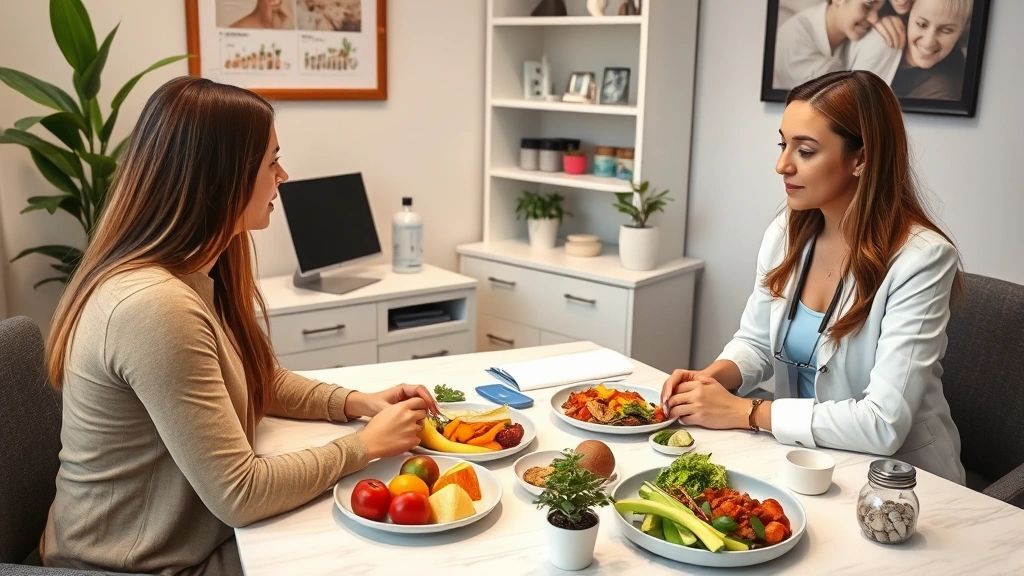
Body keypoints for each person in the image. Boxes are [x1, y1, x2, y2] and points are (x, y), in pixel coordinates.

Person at [39, 76, 437, 575]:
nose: (283, 176)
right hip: (134, 566)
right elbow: (240, 494)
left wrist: (357, 403)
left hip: (184, 539)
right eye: (271, 162)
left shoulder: (197, 271)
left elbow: (255, 379)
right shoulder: (153, 306)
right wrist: (363, 445)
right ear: (220, 177)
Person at [661, 70, 966, 484]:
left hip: (899, 483)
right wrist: (712, 379)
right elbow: (755, 342)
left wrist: (745, 412)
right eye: (783, 144)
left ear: (861, 158)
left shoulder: (922, 261)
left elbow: (883, 423)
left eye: (804, 150)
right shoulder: (787, 232)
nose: (781, 164)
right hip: (803, 459)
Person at [850, 0, 973, 100]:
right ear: (909, 14)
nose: (928, 42)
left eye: (946, 30)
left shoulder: (943, 90)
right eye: (921, 24)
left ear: (961, 31)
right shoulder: (882, 24)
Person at [772, 0, 886, 90]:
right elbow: (839, 98)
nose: (874, 19)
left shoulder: (852, 36)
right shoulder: (794, 38)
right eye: (867, 4)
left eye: (879, 10)